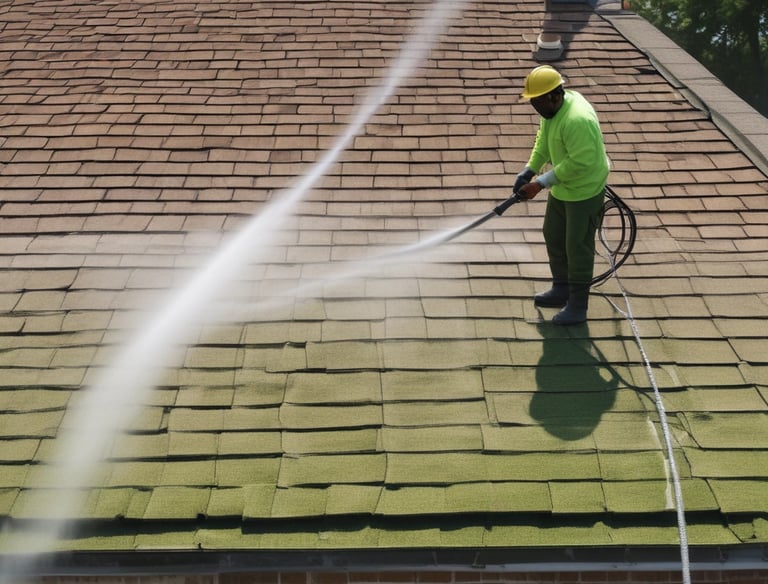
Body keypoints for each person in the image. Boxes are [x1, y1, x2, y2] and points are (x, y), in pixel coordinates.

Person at [513, 65, 610, 325]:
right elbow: (543, 140)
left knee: (577, 247)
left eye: (536, 101)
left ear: (555, 96)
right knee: (553, 234)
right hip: (563, 188)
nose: (534, 106)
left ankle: (578, 306)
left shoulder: (577, 120)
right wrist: (529, 170)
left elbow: (580, 163)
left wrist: (540, 183)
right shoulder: (551, 110)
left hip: (584, 191)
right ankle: (562, 288)